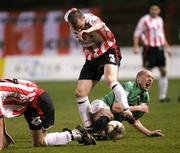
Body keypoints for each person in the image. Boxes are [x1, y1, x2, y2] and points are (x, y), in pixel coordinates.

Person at [64, 8, 132, 130]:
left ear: (84, 18)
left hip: (108, 49)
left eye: (81, 26)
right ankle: (89, 130)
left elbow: (101, 24)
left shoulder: (90, 18)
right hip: (91, 57)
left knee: (110, 79)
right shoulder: (69, 19)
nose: (79, 30)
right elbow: (71, 13)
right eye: (76, 28)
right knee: (80, 93)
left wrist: (87, 30)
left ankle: (126, 110)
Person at [0, 78, 96, 150]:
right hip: (29, 105)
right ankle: (77, 134)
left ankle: (76, 134)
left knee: (40, 142)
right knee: (37, 143)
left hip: (39, 103)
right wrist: (4, 134)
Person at [91, 70, 164, 138]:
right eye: (148, 76)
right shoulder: (129, 86)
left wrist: (149, 133)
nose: (150, 79)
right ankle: (91, 132)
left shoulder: (145, 97)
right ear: (139, 79)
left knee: (109, 132)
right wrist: (139, 107)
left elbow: (133, 120)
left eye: (152, 78)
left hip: (111, 115)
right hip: (102, 105)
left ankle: (93, 131)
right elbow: (115, 108)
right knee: (109, 116)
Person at [133, 4, 172, 102]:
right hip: (149, 49)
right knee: (147, 73)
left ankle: (162, 97)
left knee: (163, 71)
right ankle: (139, 97)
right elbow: (137, 33)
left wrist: (167, 47)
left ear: (159, 11)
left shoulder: (160, 20)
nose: (154, 11)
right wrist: (136, 46)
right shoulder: (144, 20)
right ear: (150, 10)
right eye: (152, 9)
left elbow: (161, 35)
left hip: (159, 48)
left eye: (156, 9)